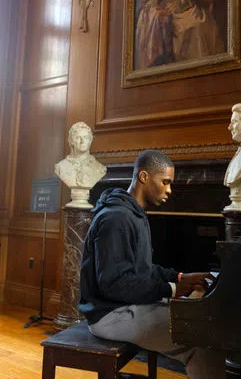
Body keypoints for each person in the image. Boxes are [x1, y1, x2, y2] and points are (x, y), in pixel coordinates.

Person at [79, 150, 226, 379]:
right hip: (108, 315)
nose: (169, 190)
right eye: (165, 182)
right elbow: (114, 284)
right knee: (200, 338)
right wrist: (173, 290)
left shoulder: (134, 215)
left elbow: (143, 270)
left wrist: (179, 277)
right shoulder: (116, 219)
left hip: (125, 306)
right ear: (144, 177)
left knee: (202, 328)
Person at [54, 122, 107, 191]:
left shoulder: (100, 168)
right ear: (71, 141)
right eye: (78, 138)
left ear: (90, 140)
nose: (82, 141)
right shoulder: (60, 167)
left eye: (86, 137)